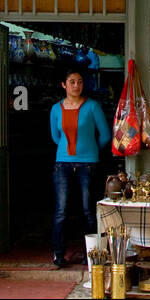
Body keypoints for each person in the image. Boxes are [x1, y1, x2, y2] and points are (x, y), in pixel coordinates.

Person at [49, 68, 110, 268]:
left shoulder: (92, 107)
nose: (77, 86)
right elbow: (55, 137)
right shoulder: (56, 109)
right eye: (72, 82)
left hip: (88, 164)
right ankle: (58, 254)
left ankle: (91, 254)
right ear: (64, 85)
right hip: (63, 164)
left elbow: (105, 135)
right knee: (61, 210)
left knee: (88, 210)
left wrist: (90, 150)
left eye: (80, 82)